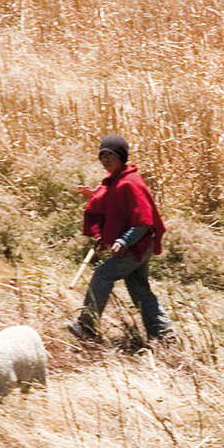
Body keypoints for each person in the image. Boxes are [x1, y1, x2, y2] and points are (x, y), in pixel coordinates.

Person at [67, 134, 173, 343]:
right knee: (138, 287)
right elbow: (113, 207)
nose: (105, 160)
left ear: (121, 157)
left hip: (138, 244)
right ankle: (163, 335)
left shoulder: (130, 183)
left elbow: (143, 221)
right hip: (140, 244)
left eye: (110, 156)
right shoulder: (116, 181)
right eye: (102, 156)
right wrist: (105, 235)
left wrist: (124, 240)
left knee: (102, 275)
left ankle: (87, 326)